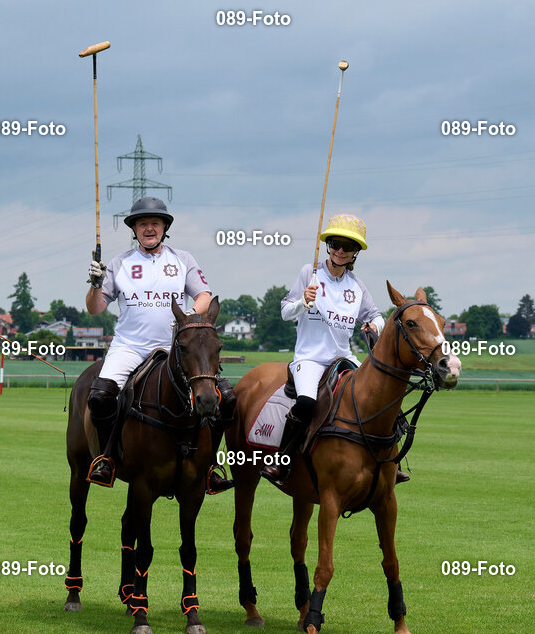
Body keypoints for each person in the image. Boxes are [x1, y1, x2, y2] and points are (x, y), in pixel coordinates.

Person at [85, 196, 235, 491]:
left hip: (175, 351)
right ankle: (108, 458)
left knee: (225, 397)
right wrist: (94, 284)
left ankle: (210, 466)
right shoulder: (119, 264)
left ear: (165, 227)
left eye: (155, 223)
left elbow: (204, 294)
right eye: (143, 224)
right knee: (101, 396)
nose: (149, 228)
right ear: (135, 229)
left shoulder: (183, 260)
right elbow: (95, 308)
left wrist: (191, 314)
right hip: (129, 346)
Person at [261, 213, 404, 487]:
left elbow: (375, 315)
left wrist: (373, 326)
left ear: (355, 254)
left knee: (382, 396)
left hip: (344, 357)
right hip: (310, 359)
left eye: (347, 247)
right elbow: (284, 312)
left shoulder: (357, 287)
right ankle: (282, 461)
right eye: (336, 243)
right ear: (328, 245)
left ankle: (390, 464)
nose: (340, 250)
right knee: (305, 403)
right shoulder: (309, 273)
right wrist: (303, 301)